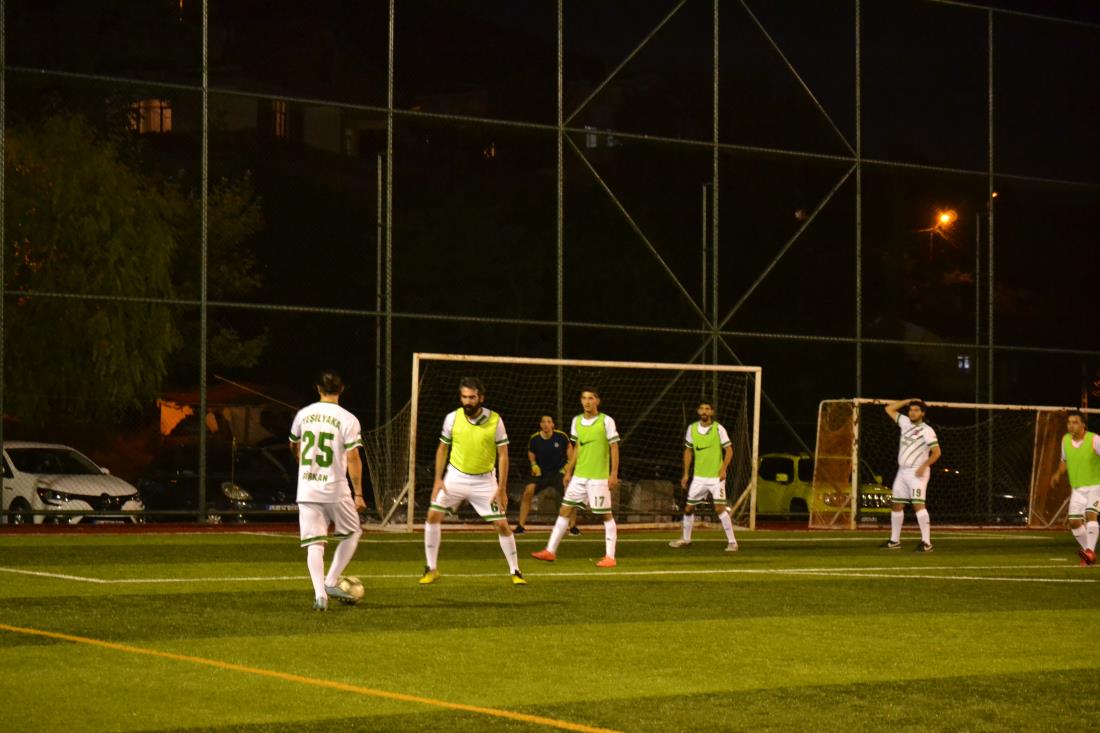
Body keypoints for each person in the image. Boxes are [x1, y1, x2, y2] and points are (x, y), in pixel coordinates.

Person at [420, 377, 526, 585]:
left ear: (481, 398)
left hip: (484, 481)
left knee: (502, 525)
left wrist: (502, 488)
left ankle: (516, 571)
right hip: (455, 477)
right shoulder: (452, 418)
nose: (467, 401)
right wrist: (438, 479)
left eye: (472, 397)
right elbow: (443, 448)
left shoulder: (495, 420)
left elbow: (503, 455)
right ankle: (431, 568)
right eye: (464, 397)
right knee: (432, 515)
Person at [289, 369, 367, 611]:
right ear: (341, 390)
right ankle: (331, 581)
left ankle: (320, 595)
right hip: (335, 488)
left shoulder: (303, 414)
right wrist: (359, 493)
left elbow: (293, 443)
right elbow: (353, 457)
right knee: (352, 533)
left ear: (318, 389)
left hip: (307, 487)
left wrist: (301, 461)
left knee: (315, 543)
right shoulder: (348, 419)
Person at [532, 387, 620, 567]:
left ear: (597, 401)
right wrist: (569, 471)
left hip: (598, 478)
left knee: (605, 515)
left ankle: (610, 557)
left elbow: (614, 447)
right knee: (564, 510)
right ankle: (550, 551)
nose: (587, 402)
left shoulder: (606, 421)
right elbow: (578, 447)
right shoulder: (576, 421)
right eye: (584, 398)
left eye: (591, 398)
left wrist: (613, 474)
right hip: (579, 477)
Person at [669, 401, 739, 551]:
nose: (704, 411)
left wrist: (723, 469)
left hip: (716, 477)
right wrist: (686, 474)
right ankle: (686, 539)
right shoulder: (692, 428)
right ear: (698, 411)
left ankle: (733, 542)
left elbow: (729, 450)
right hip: (699, 478)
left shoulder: (718, 428)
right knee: (688, 508)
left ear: (712, 412)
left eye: (707, 409)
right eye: (701, 408)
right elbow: (688, 451)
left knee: (720, 508)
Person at [881, 398, 941, 552]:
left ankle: (927, 543)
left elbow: (936, 452)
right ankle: (894, 541)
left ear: (923, 413)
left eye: (916, 410)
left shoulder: (927, 430)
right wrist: (907, 401)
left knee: (918, 505)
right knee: (896, 505)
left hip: (917, 472)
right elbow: (888, 409)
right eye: (911, 410)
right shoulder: (905, 422)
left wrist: (924, 466)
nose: (912, 413)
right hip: (902, 471)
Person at [1049, 410, 1100, 566]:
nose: (1071, 426)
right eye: (1069, 423)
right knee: (1074, 522)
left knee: (1091, 515)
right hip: (1077, 489)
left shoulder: (1095, 439)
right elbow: (1064, 461)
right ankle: (1088, 553)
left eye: (1075, 422)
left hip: (1095, 486)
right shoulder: (1065, 440)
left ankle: (1089, 552)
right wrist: (1057, 473)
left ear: (1083, 425)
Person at [515, 415, 579, 536]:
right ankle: (520, 526)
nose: (546, 424)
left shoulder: (561, 436)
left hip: (558, 473)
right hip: (541, 474)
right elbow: (531, 452)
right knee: (528, 491)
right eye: (543, 422)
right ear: (540, 425)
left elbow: (570, 450)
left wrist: (567, 469)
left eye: (549, 422)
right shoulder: (534, 439)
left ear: (553, 425)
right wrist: (533, 464)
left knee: (570, 493)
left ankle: (573, 527)